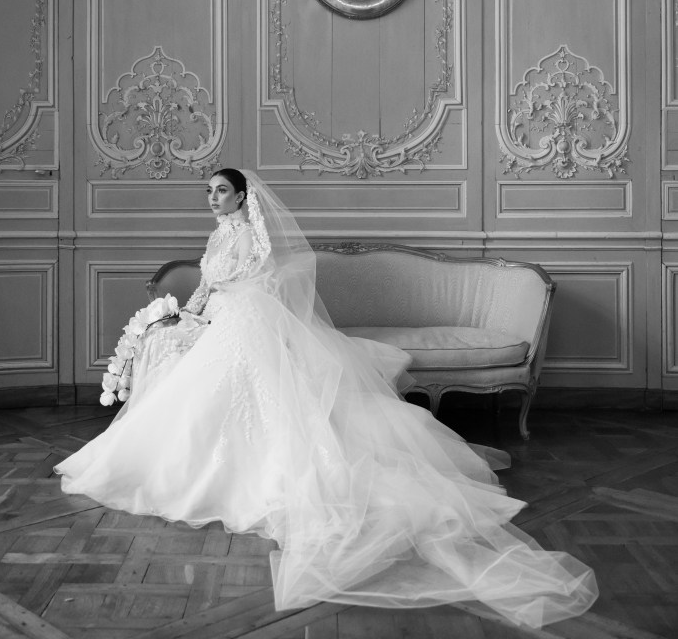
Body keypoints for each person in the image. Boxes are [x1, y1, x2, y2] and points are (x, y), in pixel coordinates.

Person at [55, 169, 598, 628]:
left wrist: (223, 306)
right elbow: (207, 284)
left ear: (244, 197)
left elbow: (261, 281)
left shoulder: (249, 234)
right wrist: (189, 313)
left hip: (246, 319)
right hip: (220, 317)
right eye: (210, 192)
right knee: (197, 385)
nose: (214, 199)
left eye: (222, 191)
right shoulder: (220, 234)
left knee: (249, 391)